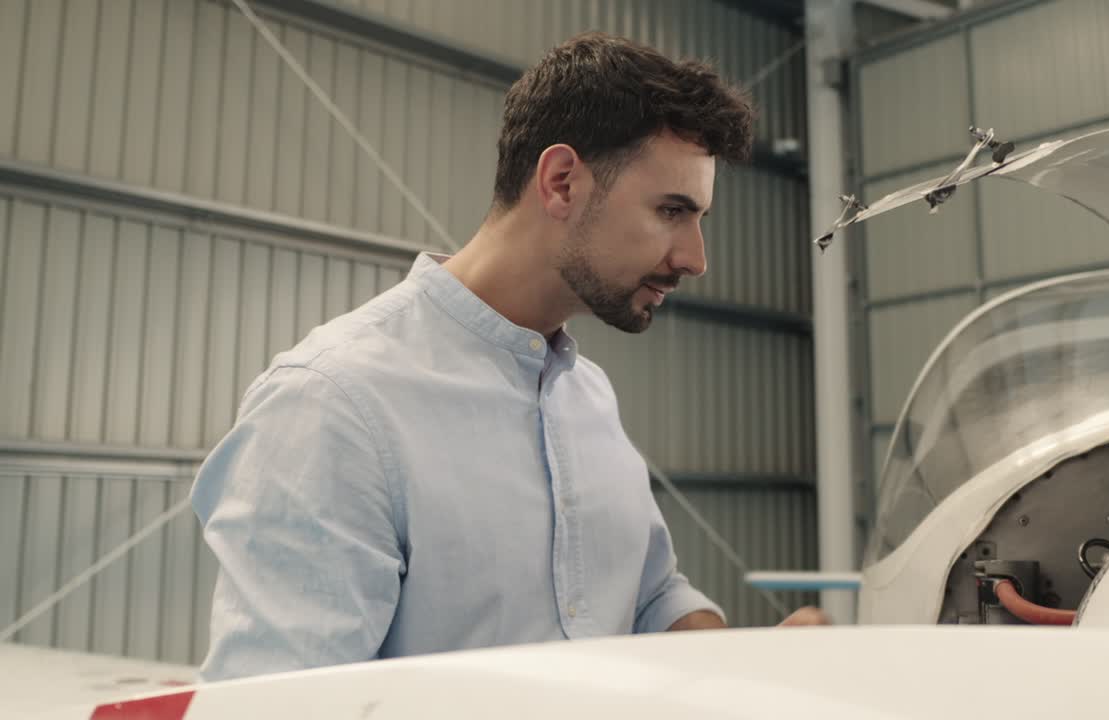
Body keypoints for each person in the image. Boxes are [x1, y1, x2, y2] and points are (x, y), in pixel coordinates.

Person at [191, 31, 828, 683]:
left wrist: (755, 663)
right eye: (672, 211)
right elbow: (278, 702)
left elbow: (648, 599)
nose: (695, 258)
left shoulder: (589, 397)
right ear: (560, 183)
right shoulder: (334, 402)